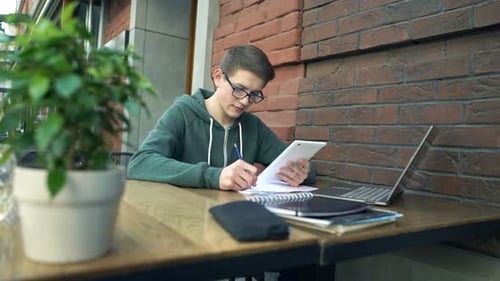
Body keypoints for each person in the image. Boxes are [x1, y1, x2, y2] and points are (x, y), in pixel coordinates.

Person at [127, 45, 317, 191]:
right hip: (182, 219)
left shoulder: (253, 127)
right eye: (239, 89)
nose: (244, 101)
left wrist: (302, 171)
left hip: (234, 222)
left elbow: (299, 164)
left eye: (253, 95)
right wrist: (214, 176)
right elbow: (140, 163)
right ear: (218, 77)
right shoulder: (183, 113)